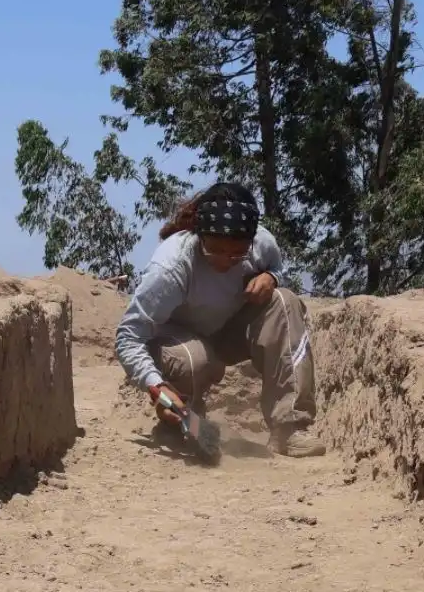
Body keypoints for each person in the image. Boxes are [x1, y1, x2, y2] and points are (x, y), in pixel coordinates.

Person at [114, 182, 326, 457]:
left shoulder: (262, 243)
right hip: (178, 340)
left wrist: (271, 278)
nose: (226, 261)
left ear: (251, 241)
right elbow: (128, 337)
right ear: (200, 235)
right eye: (215, 251)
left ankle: (290, 428)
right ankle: (180, 423)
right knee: (193, 360)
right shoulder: (171, 267)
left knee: (284, 302)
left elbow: (277, 268)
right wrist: (157, 387)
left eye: (238, 253)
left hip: (228, 332)